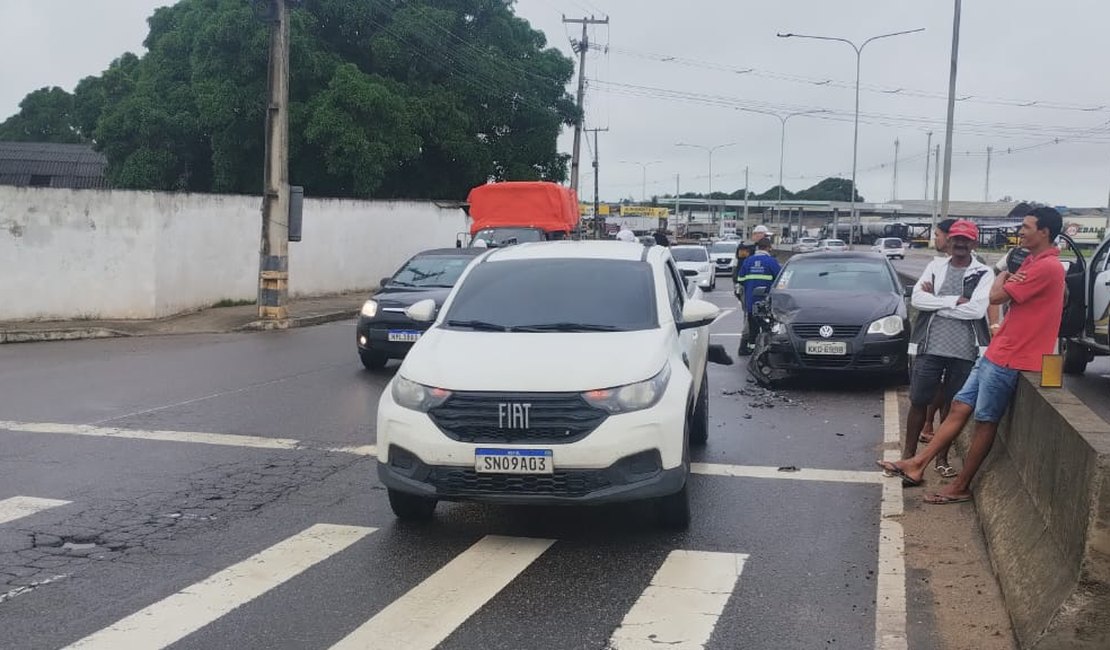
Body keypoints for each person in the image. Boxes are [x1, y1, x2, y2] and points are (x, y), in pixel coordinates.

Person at [879, 207, 1065, 504]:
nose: (1022, 231)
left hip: (1015, 357)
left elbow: (992, 298)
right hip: (997, 351)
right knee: (958, 407)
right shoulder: (1031, 261)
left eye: (1028, 227)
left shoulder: (1046, 267)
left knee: (985, 420)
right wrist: (998, 281)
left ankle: (961, 485)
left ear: (1044, 232)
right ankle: (916, 464)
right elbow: (922, 299)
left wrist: (1003, 274)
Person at [903, 220, 994, 476]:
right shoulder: (935, 266)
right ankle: (908, 455)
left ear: (974, 243)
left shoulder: (984, 273)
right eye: (956, 239)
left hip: (965, 350)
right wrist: (954, 301)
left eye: (966, 240)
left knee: (951, 407)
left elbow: (976, 310)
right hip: (930, 345)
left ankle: (941, 459)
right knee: (919, 400)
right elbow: (919, 299)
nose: (960, 244)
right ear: (949, 242)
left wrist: (937, 303)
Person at [736, 237, 781, 353]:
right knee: (767, 326)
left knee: (752, 326)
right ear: (768, 248)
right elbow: (780, 280)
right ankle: (767, 349)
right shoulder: (772, 262)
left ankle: (751, 348)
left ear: (757, 248)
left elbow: (740, 279)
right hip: (767, 302)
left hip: (751, 300)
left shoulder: (748, 261)